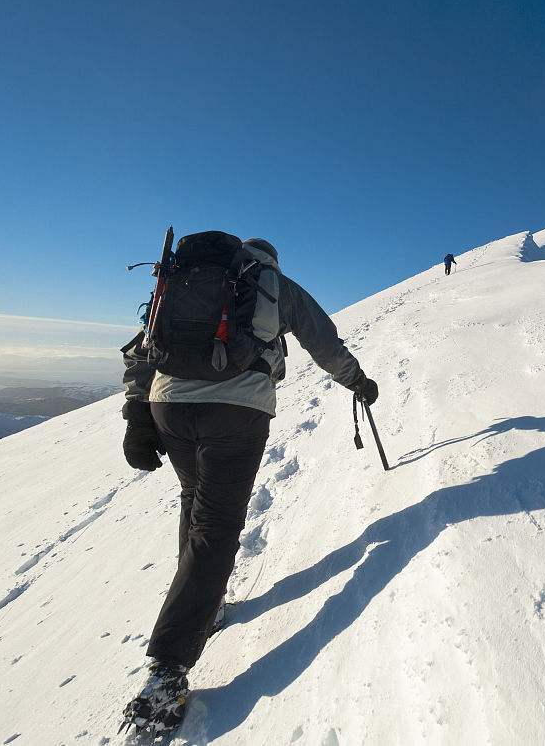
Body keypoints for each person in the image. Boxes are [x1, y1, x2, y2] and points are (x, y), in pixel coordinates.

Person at [117, 236, 379, 734]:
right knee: (214, 525)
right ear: (269, 262)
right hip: (236, 411)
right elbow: (322, 341)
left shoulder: (182, 282)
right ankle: (168, 669)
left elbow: (145, 347)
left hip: (168, 405)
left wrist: (137, 415)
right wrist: (357, 381)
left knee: (195, 504)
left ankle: (204, 606)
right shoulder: (273, 286)